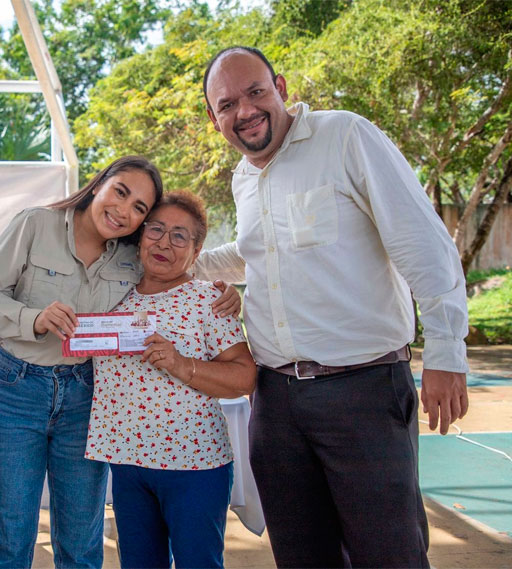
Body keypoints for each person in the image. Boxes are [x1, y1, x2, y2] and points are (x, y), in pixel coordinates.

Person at [196, 46, 470, 568]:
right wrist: (180, 264)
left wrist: (446, 351)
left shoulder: (345, 135)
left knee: (390, 555)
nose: (245, 111)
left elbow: (423, 245)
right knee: (302, 556)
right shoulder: (244, 178)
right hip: (274, 401)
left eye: (256, 92)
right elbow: (255, 255)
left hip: (363, 392)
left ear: (281, 86)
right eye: (227, 104)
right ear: (215, 119)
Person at [0, 157, 240, 569]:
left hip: (85, 393)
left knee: (82, 536)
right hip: (17, 386)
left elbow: (180, 263)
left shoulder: (133, 252)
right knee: (11, 531)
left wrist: (227, 291)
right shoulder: (36, 224)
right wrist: (33, 318)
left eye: (140, 209)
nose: (124, 211)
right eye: (121, 192)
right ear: (98, 185)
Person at [85, 190, 257, 569]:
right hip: (127, 464)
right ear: (139, 237)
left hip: (194, 466)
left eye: (180, 236)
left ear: (196, 252)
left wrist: (183, 365)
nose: (164, 242)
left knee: (199, 562)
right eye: (156, 230)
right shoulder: (112, 297)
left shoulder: (208, 300)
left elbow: (245, 377)